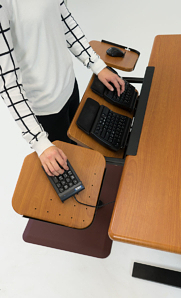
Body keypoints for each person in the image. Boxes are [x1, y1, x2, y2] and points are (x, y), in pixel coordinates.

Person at [0, 0, 125, 176]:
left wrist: (97, 65)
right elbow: (8, 83)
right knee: (71, 173)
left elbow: (64, 19)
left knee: (83, 153)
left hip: (69, 86)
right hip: (46, 108)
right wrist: (39, 142)